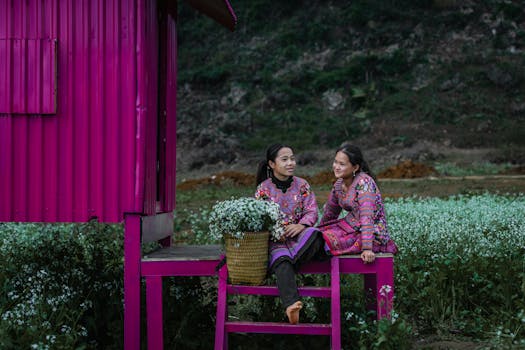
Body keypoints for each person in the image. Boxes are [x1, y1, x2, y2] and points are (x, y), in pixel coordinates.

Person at [255, 143, 327, 325]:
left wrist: (301, 225)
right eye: (285, 159)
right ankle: (291, 306)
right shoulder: (264, 189)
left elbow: (312, 211)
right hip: (276, 241)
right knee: (281, 259)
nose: (290, 163)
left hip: (300, 238)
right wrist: (276, 231)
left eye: (292, 158)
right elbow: (259, 217)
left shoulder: (302, 185)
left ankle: (289, 259)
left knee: (316, 235)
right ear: (272, 164)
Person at [318, 144, 397, 263]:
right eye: (335, 162)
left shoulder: (364, 184)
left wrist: (367, 248)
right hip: (350, 228)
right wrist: (319, 231)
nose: (336, 167)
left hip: (371, 234)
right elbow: (330, 213)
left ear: (355, 167)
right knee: (317, 236)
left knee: (327, 242)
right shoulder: (339, 185)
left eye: (342, 164)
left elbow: (367, 217)